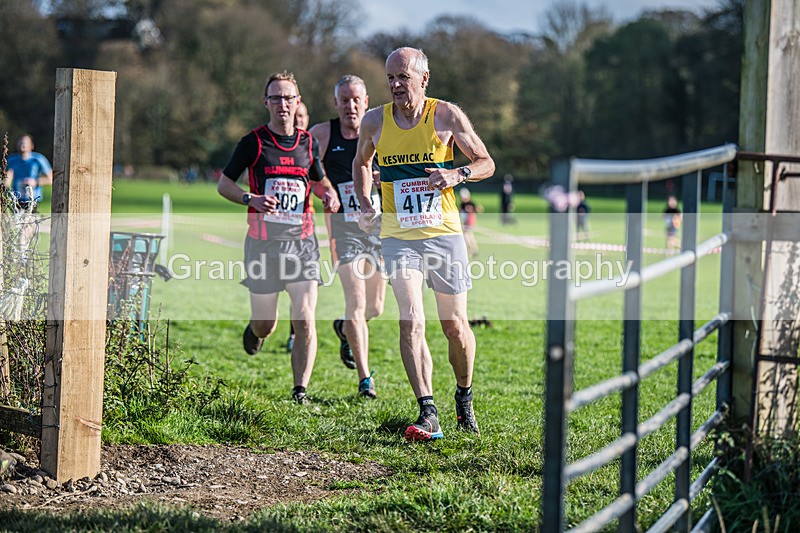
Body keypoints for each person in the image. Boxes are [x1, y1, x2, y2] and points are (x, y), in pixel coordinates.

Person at [353, 47, 495, 441]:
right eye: (391, 79)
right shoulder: (374, 121)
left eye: (404, 77)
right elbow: (362, 163)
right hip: (399, 237)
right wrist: (366, 201)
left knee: (454, 326)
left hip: (444, 234)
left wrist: (456, 175)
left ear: (424, 78)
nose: (397, 85)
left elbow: (486, 161)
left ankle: (463, 395)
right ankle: (427, 410)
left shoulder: (445, 115)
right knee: (411, 319)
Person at [217, 71, 340, 404]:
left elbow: (319, 180)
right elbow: (224, 184)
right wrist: (250, 199)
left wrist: (328, 194)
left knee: (304, 316)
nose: (283, 104)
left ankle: (300, 390)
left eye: (289, 98)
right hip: (263, 246)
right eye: (276, 98)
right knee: (266, 325)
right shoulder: (253, 143)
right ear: (266, 103)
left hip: (303, 244)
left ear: (297, 102)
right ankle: (255, 330)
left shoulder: (308, 143)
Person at [309, 74, 386, 398]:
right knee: (355, 302)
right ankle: (365, 379)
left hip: (378, 229)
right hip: (344, 229)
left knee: (375, 308)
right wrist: (326, 190)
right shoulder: (323, 134)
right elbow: (306, 171)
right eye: (344, 100)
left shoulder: (381, 131)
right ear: (336, 102)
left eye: (356, 100)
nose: (350, 106)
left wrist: (383, 181)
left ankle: (343, 327)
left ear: (366, 101)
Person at [284, 100, 312, 354]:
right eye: (296, 116)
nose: (298, 120)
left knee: (301, 297)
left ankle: (295, 334)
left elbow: (322, 178)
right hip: (274, 237)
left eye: (302, 116)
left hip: (305, 234)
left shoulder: (310, 146)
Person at [4, 134, 53, 211]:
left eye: (26, 142)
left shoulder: (38, 159)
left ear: (32, 146)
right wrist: (6, 187)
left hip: (33, 199)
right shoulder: (12, 159)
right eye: (20, 141)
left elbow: (51, 178)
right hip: (16, 198)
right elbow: (8, 175)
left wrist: (36, 182)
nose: (22, 144)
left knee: (30, 221)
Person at [459, 187, 481, 257]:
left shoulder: (471, 203)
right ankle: (473, 249)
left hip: (469, 221)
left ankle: (470, 249)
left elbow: (478, 209)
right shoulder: (462, 204)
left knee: (466, 235)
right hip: (465, 221)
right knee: (469, 235)